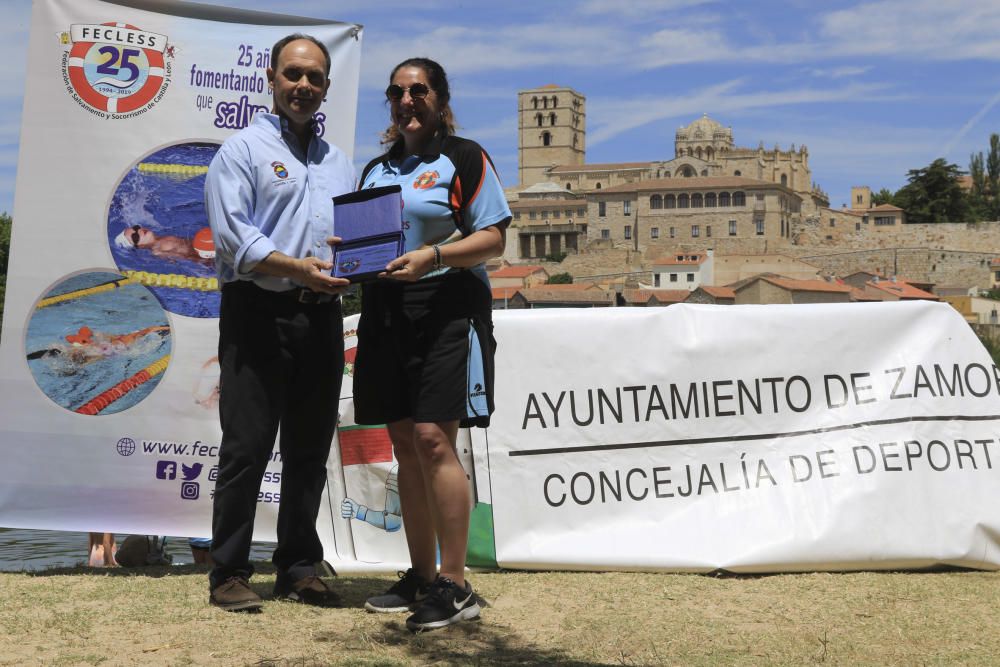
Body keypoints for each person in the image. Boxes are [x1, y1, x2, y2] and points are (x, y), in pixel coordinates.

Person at [354, 57, 511, 631]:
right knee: (403, 445)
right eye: (397, 92)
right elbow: (368, 244)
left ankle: (456, 584)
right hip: (385, 313)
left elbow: (493, 236)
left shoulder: (465, 157)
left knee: (433, 441)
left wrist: (435, 257)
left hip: (448, 309)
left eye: (418, 90)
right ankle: (421, 577)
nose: (406, 99)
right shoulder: (374, 170)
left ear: (439, 98)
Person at [203, 33, 354, 612]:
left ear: (326, 88)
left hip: (321, 316)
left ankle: (297, 566)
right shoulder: (239, 151)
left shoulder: (339, 162)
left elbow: (350, 238)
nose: (303, 86)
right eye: (293, 74)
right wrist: (299, 270)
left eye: (314, 78)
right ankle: (228, 573)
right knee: (247, 447)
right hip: (257, 312)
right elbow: (233, 238)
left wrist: (358, 264)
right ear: (271, 80)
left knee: (310, 448)